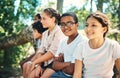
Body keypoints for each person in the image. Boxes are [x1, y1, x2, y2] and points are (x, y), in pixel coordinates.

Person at [73, 11, 120, 78]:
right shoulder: (81, 47)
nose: (88, 29)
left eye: (93, 25)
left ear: (104, 29)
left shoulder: (113, 46)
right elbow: (77, 74)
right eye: (87, 25)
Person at [27, 8, 66, 78]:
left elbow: (51, 53)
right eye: (41, 19)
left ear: (53, 19)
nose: (41, 21)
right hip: (45, 63)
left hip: (56, 63)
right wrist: (38, 65)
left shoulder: (59, 32)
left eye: (44, 19)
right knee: (31, 75)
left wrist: (35, 62)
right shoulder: (45, 33)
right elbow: (40, 51)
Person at [49, 12, 87, 78]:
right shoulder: (63, 42)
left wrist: (62, 63)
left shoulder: (83, 42)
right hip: (61, 74)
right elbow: (54, 65)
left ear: (77, 25)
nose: (66, 27)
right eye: (62, 24)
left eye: (70, 23)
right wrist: (69, 63)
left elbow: (71, 70)